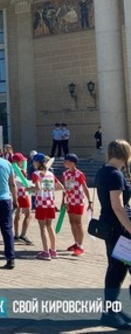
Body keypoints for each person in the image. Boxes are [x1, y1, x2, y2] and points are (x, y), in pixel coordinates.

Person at [95, 139, 131, 330]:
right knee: (117, 269)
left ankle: (113, 309)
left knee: (117, 268)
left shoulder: (103, 171)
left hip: (110, 227)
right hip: (118, 229)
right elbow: (117, 206)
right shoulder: (115, 175)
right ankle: (109, 312)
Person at [27, 153, 63, 261]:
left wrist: (28, 189)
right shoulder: (50, 174)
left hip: (41, 203)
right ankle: (53, 250)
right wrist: (49, 190)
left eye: (34, 161)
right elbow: (60, 186)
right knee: (50, 226)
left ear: (37, 162)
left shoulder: (36, 174)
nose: (33, 163)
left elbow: (37, 187)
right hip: (51, 203)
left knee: (42, 228)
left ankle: (46, 251)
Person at [62, 153, 91, 256]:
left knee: (78, 223)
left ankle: (81, 245)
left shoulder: (79, 174)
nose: (64, 163)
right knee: (72, 222)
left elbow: (85, 187)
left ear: (72, 163)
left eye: (66, 161)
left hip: (78, 201)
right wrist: (63, 201)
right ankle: (76, 242)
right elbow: (65, 188)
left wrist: (90, 201)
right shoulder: (65, 174)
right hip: (69, 201)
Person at [12, 153, 33, 245]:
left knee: (18, 214)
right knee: (28, 215)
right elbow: (26, 184)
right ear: (19, 161)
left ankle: (16, 234)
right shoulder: (21, 171)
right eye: (22, 161)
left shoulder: (10, 170)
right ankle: (23, 235)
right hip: (23, 194)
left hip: (15, 193)